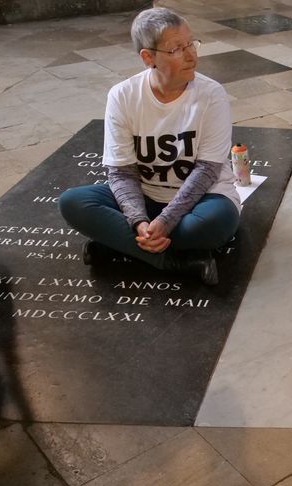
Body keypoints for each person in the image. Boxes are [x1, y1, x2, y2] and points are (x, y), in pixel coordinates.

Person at [59, 7, 239, 286]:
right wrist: (138, 220)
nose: (191, 55)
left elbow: (207, 170)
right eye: (177, 49)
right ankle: (174, 262)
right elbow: (122, 172)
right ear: (148, 57)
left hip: (200, 201)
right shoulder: (123, 96)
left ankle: (117, 244)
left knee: (218, 222)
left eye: (191, 43)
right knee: (73, 202)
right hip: (145, 197)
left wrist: (164, 221)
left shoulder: (211, 94)